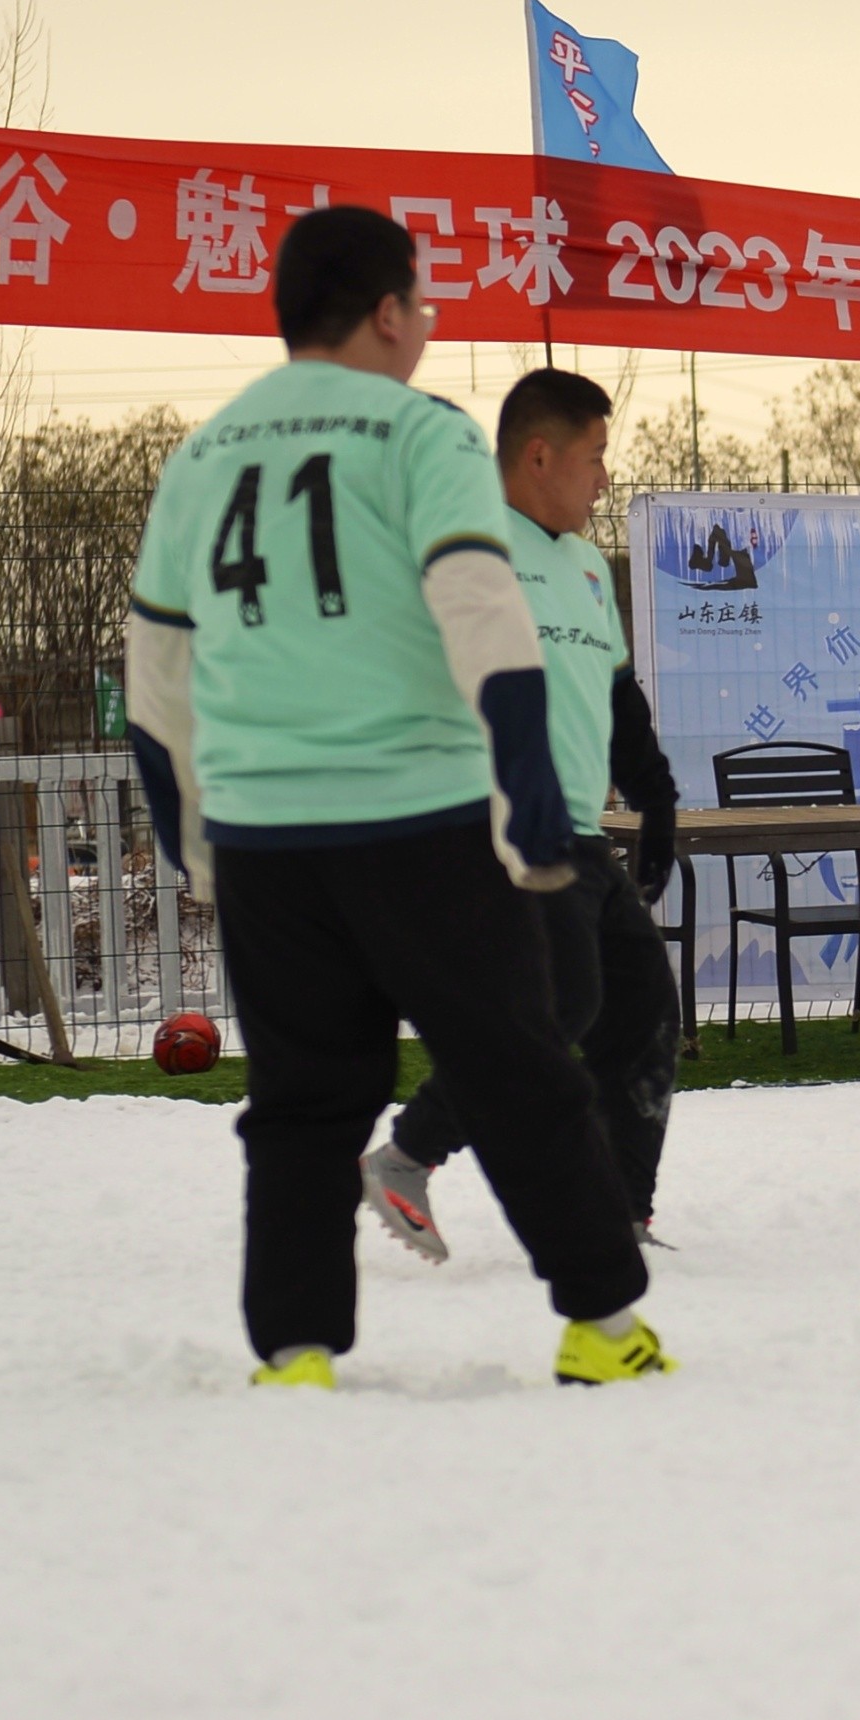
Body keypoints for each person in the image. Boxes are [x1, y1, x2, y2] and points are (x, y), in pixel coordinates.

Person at [123, 205, 666, 1391]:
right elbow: (480, 608)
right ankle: (602, 1325)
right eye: (418, 305)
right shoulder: (424, 431)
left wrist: (193, 840)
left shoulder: (204, 452)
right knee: (520, 1066)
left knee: (302, 1099)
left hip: (264, 832)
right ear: (384, 312)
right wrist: (526, 794)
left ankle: (296, 1352)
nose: (424, 325)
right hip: (419, 817)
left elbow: (154, 676)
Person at [357, 367, 685, 1265]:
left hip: (577, 830)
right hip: (494, 828)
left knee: (643, 1011)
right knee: (560, 1004)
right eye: (595, 457)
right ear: (539, 456)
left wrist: (656, 798)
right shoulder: (464, 550)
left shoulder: (584, 565)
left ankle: (619, 1212)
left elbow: (615, 697)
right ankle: (407, 1154)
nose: (604, 479)